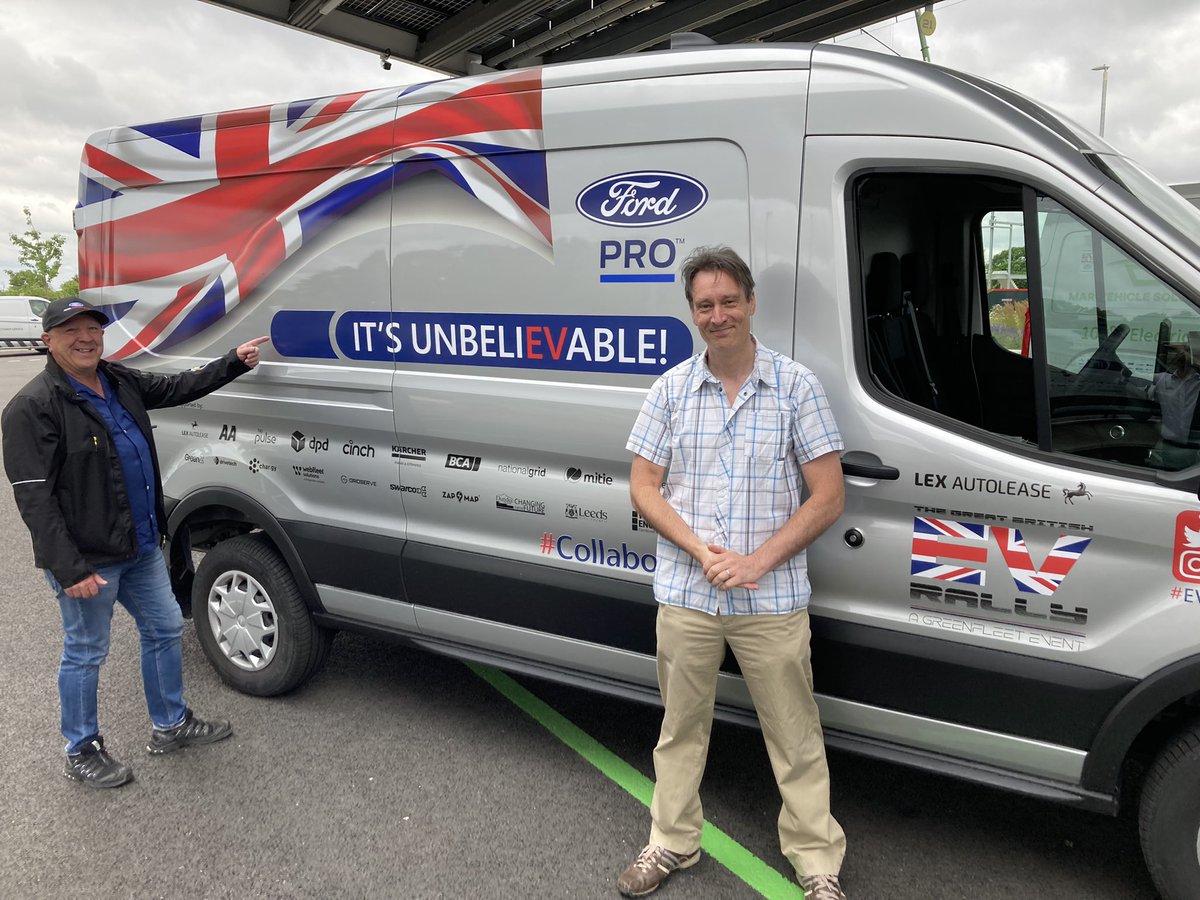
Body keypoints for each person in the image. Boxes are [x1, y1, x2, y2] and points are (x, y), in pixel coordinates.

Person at [619, 247, 849, 899]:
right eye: (704, 305)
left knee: (795, 734)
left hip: (770, 596)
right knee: (679, 730)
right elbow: (644, 486)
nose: (717, 315)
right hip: (688, 592)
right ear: (692, 313)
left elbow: (829, 496)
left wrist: (755, 561)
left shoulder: (797, 387)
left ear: (750, 302)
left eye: (728, 301)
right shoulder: (670, 390)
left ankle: (817, 863)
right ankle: (671, 841)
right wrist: (701, 551)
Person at [2, 297, 269, 789]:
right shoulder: (33, 407)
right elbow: (34, 498)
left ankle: (170, 724)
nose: (86, 338)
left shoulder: (117, 380)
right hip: (89, 560)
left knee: (165, 628)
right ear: (47, 341)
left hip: (141, 546)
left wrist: (232, 362)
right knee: (85, 651)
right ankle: (81, 749)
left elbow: (176, 387)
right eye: (71, 331)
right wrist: (69, 567)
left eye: (92, 329)